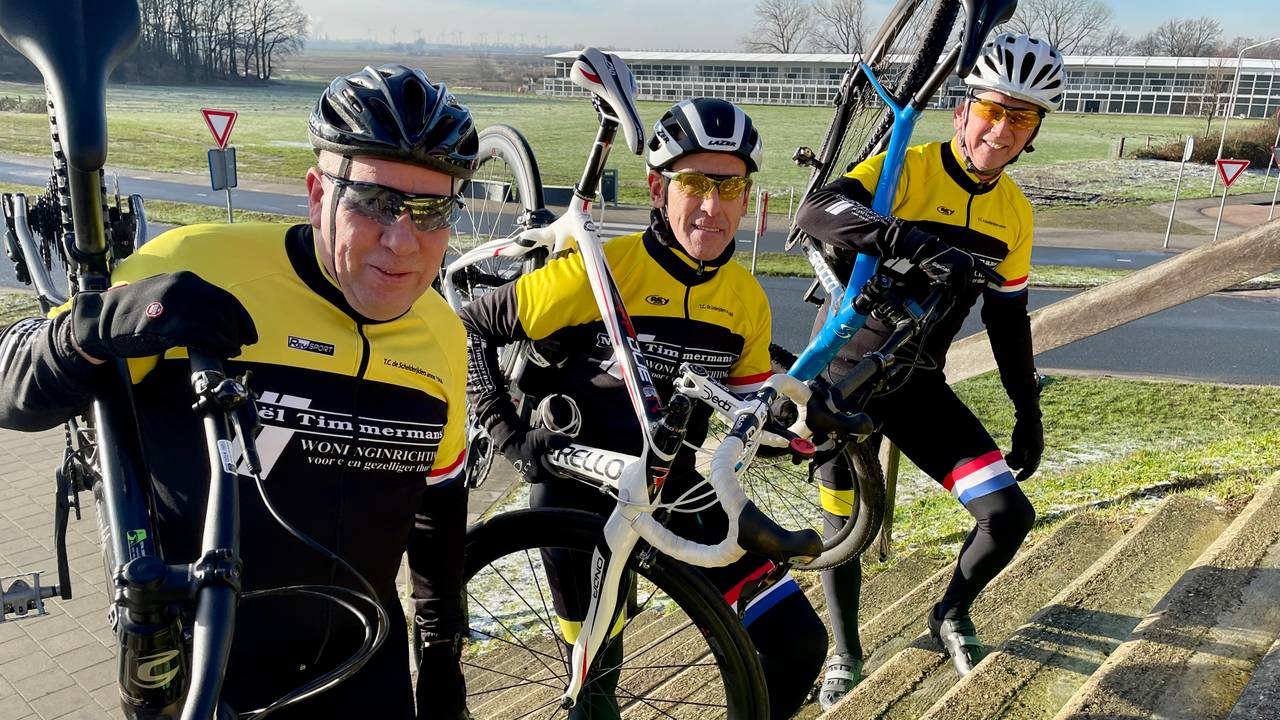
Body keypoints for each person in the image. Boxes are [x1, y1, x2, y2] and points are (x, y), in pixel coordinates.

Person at [0, 64, 475, 719]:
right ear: (316, 193)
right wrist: (100, 323)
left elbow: (438, 511)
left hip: (366, 670)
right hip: (209, 677)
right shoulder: (200, 264)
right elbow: (12, 387)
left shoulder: (444, 334)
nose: (402, 241)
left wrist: (444, 658)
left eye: (431, 210)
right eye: (373, 201)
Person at [456, 97, 827, 719]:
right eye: (694, 184)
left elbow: (744, 401)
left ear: (747, 194)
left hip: (674, 486)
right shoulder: (595, 273)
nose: (712, 206)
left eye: (729, 185)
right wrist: (507, 433)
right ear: (659, 187)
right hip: (576, 487)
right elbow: (468, 328)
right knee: (597, 690)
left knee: (797, 644)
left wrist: (799, 429)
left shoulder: (745, 300)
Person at [793, 34, 1063, 707]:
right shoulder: (907, 167)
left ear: (1033, 134)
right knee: (844, 532)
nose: (1001, 130)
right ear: (963, 111)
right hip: (843, 379)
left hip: (914, 384)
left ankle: (947, 614)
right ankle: (846, 654)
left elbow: (1008, 320)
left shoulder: (1015, 214)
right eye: (994, 111)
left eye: (1021, 119)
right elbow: (816, 212)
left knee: (1006, 515)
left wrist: (1027, 410)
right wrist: (909, 239)